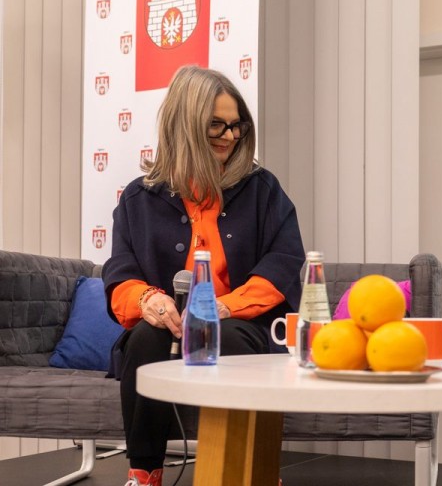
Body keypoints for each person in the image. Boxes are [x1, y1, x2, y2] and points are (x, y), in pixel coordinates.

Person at [103, 66, 305, 486]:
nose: (230, 136)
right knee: (145, 337)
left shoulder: (263, 189)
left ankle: (251, 472)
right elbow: (120, 273)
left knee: (226, 336)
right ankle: (144, 472)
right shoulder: (139, 198)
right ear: (186, 123)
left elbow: (284, 262)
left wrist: (222, 307)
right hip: (170, 327)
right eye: (216, 125)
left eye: (236, 125)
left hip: (242, 324)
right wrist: (149, 301)